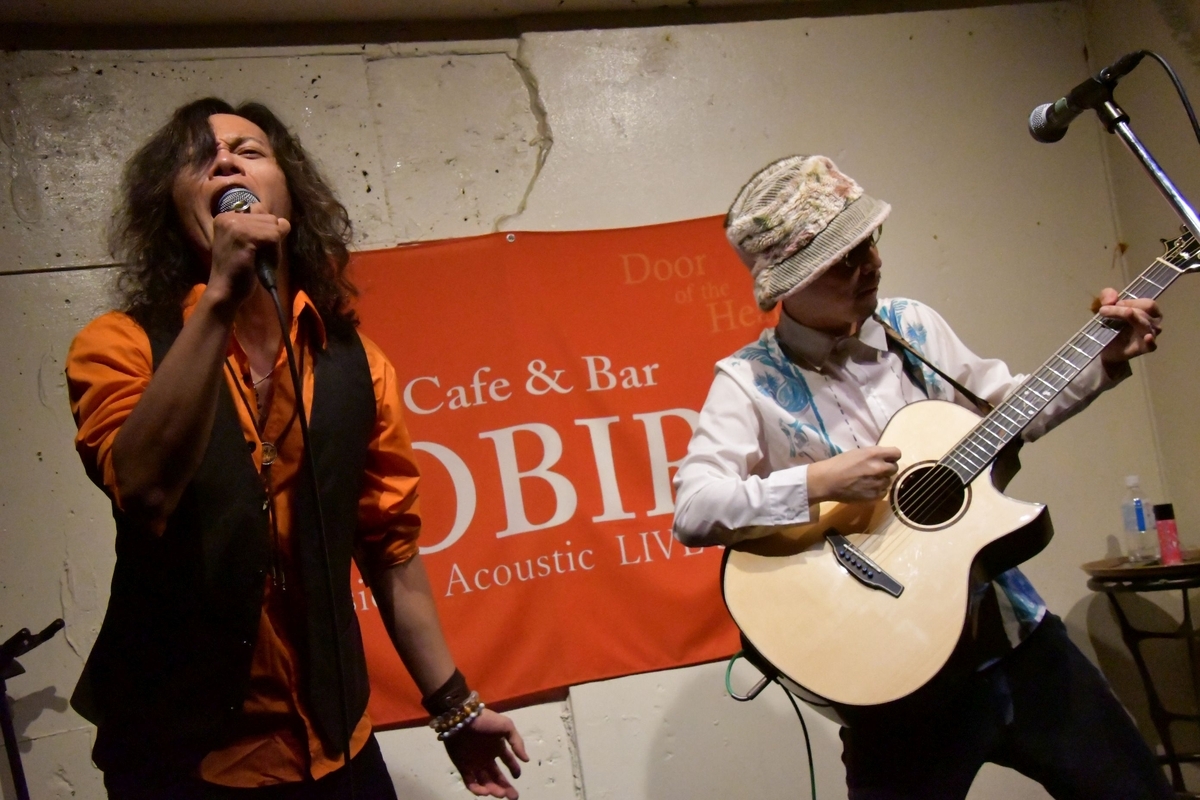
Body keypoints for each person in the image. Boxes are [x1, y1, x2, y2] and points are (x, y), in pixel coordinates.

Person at [65, 97, 528, 799]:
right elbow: (145, 490)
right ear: (169, 208)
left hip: (334, 749)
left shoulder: (356, 363)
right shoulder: (119, 345)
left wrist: (455, 708)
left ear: (291, 195)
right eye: (199, 159)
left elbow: (391, 551)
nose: (225, 161)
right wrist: (220, 299)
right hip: (179, 760)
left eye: (248, 151)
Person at [672, 154, 1173, 800]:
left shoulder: (913, 326)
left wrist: (1103, 361)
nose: (871, 265)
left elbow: (1008, 410)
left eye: (869, 243)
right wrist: (819, 482)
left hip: (1016, 638)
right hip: (892, 681)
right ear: (789, 287)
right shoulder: (747, 382)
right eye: (844, 260)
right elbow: (696, 509)